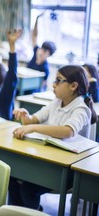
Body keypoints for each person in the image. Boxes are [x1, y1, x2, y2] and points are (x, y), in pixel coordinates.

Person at [10, 65, 98, 210]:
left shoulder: (81, 108)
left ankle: (31, 212)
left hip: (68, 170)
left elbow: (68, 131)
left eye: (58, 80)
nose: (53, 84)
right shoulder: (56, 103)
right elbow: (33, 120)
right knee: (12, 176)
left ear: (73, 86)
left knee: (28, 189)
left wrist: (33, 127)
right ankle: (22, 211)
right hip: (49, 161)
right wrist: (25, 116)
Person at [27, 12, 57, 92]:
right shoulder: (36, 51)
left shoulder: (45, 68)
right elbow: (34, 36)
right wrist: (37, 20)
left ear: (49, 55)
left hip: (34, 89)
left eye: (45, 52)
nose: (41, 52)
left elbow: (42, 86)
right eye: (42, 49)